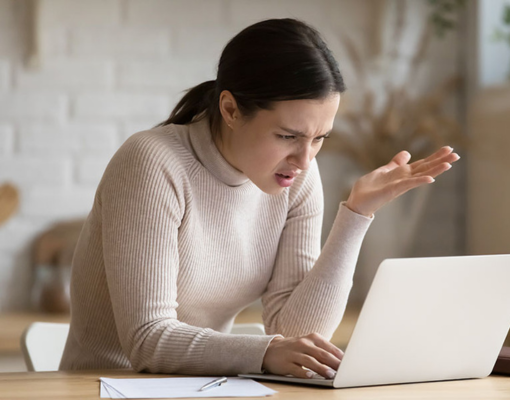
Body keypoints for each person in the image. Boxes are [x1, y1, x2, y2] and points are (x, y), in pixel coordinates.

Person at [59, 18, 459, 379]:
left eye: (320, 139)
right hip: (105, 387)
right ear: (231, 109)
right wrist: (266, 353)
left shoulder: (295, 176)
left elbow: (297, 335)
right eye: (288, 136)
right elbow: (147, 339)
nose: (304, 159)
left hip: (205, 388)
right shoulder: (152, 163)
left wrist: (356, 214)